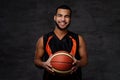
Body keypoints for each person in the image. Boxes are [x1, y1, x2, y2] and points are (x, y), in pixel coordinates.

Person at [34, 5, 88, 80]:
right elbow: (36, 60)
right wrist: (43, 64)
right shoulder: (43, 39)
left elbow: (85, 60)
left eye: (66, 16)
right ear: (55, 17)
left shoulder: (78, 39)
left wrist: (78, 63)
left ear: (70, 19)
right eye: (60, 15)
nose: (63, 19)